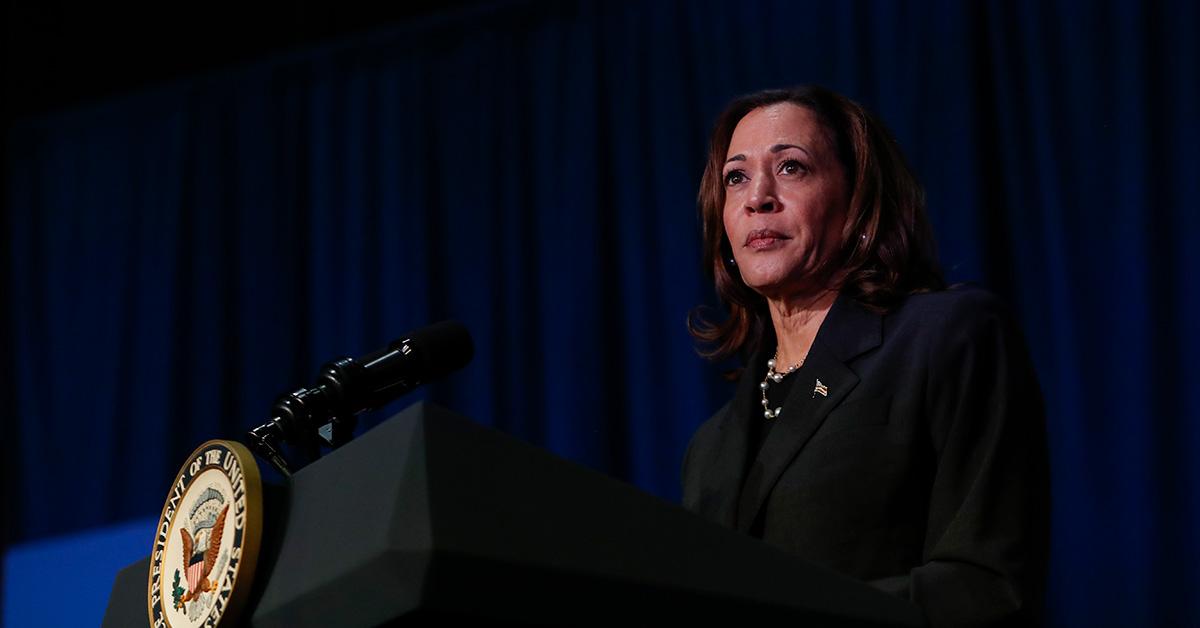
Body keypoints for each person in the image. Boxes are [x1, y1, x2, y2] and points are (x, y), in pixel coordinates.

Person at [681, 86, 1049, 627]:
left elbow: (988, 585)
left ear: (857, 200)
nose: (757, 195)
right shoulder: (709, 448)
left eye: (791, 168)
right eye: (736, 177)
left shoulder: (945, 339)